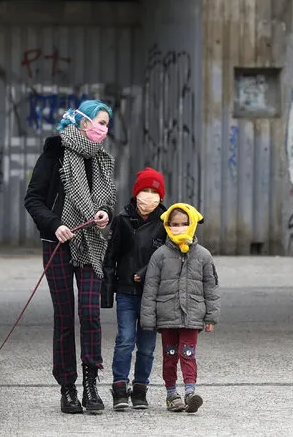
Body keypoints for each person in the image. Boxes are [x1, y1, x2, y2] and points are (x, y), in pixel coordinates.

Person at [24, 100, 117, 414]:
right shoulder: (55, 153)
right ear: (82, 121)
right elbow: (33, 199)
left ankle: (91, 385)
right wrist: (55, 225)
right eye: (98, 121)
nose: (102, 128)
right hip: (58, 243)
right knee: (64, 317)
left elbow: (107, 201)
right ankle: (68, 388)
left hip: (91, 243)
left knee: (90, 313)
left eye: (106, 123)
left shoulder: (103, 161)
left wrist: (105, 214)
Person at [140, 203, 220, 413]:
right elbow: (150, 288)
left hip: (192, 316)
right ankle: (171, 394)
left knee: (188, 354)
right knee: (170, 356)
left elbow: (210, 287)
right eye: (174, 224)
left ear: (192, 224)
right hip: (167, 316)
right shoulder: (160, 255)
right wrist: (148, 319)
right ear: (167, 225)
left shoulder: (203, 256)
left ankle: (190, 393)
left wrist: (210, 317)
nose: (179, 228)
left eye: (184, 224)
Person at [101, 167, 167, 410]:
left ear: (161, 196)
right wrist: (107, 293)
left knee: (147, 346)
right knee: (126, 340)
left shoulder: (165, 221)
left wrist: (146, 273)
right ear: (136, 193)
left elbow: (168, 258)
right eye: (144, 191)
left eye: (154, 191)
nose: (148, 196)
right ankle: (119, 386)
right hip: (127, 291)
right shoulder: (122, 220)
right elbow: (110, 258)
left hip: (153, 294)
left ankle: (140, 388)